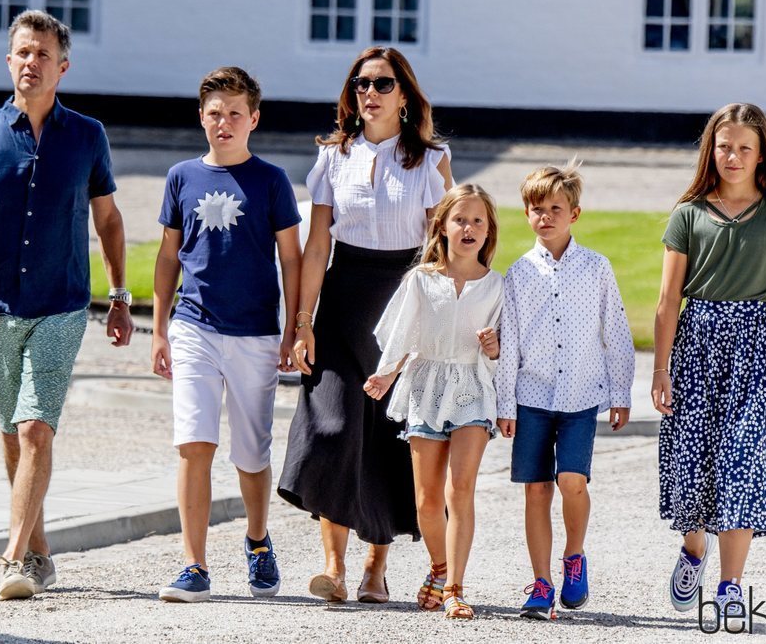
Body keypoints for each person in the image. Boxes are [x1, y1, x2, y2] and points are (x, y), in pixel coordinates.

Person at [0, 10, 133, 600]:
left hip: (62, 305)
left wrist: (120, 297)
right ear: (10, 62)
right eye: (22, 52)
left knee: (35, 431)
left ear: (62, 66)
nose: (31, 62)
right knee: (10, 431)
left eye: (43, 54)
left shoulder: (88, 136)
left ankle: (14, 558)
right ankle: (41, 547)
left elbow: (108, 219)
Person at [277, 46, 453, 604]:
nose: (369, 94)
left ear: (404, 95)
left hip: (405, 300)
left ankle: (376, 568)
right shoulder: (334, 157)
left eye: (381, 84)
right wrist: (302, 321)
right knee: (331, 428)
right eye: (360, 84)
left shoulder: (431, 160)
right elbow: (317, 242)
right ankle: (333, 565)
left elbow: (441, 247)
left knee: (385, 438)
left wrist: (440, 322)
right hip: (345, 298)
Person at [652, 103, 766, 629]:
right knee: (695, 462)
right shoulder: (688, 214)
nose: (733, 156)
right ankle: (694, 548)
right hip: (696, 345)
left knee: (742, 462)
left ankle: (730, 584)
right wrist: (660, 369)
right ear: (710, 150)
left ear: (762, 153)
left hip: (754, 350)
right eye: (724, 147)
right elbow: (668, 298)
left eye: (745, 147)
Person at [151, 67, 302, 602]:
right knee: (194, 444)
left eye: (235, 113)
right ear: (201, 116)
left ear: (253, 119)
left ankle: (257, 540)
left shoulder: (271, 180)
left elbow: (291, 257)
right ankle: (194, 564)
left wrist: (294, 327)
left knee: (251, 453)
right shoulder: (181, 177)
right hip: (193, 325)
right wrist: (160, 329)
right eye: (215, 112)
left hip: (256, 333)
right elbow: (169, 255)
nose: (225, 122)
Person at [496, 161, 635, 620]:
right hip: (531, 397)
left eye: (556, 208)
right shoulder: (517, 274)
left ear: (574, 214)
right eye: (537, 209)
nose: (546, 217)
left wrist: (620, 393)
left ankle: (574, 557)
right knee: (536, 491)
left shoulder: (597, 268)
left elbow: (614, 332)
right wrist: (504, 403)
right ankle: (541, 582)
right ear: (526, 214)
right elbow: (510, 341)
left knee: (571, 481)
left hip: (579, 397)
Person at [364, 183, 503, 619]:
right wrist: (387, 374)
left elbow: (508, 351)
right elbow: (402, 333)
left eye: (478, 220)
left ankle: (456, 588)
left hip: (473, 388)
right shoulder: (421, 281)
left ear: (488, 231)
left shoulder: (497, 285)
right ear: (441, 225)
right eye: (460, 219)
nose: (469, 228)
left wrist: (494, 347)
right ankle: (439, 568)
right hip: (426, 387)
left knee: (460, 488)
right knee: (427, 499)